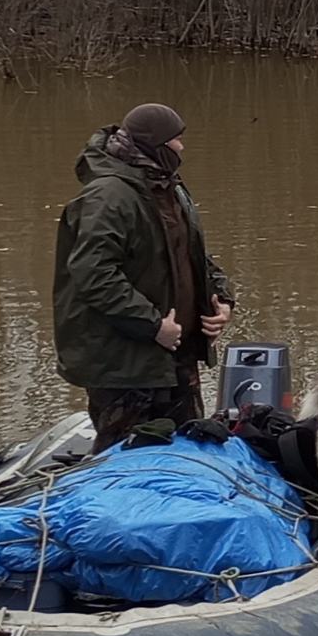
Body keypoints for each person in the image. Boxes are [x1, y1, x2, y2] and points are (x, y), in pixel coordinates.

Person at [53, 103, 234, 452]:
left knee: (188, 453)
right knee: (127, 464)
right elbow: (93, 273)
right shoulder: (108, 196)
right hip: (125, 365)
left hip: (176, 357)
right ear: (156, 144)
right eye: (177, 140)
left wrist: (221, 299)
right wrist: (153, 326)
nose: (183, 148)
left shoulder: (171, 188)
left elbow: (192, 254)